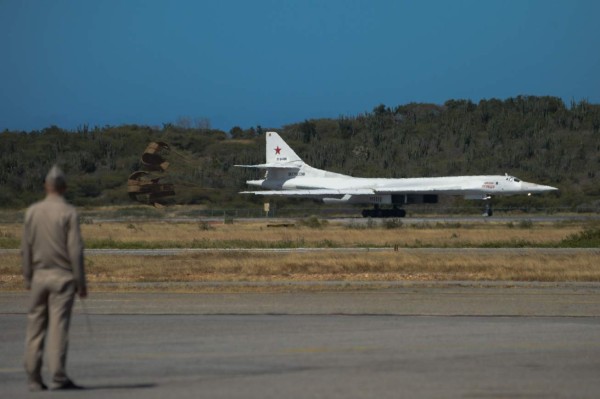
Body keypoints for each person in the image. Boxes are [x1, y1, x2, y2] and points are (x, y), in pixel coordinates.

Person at [21, 165, 87, 391]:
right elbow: (75, 250)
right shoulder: (69, 212)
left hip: (39, 276)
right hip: (62, 277)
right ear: (64, 187)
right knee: (58, 327)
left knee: (35, 327)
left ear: (46, 187)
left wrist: (28, 276)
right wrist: (80, 282)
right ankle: (58, 376)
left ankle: (33, 378)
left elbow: (25, 248)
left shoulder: (32, 211)